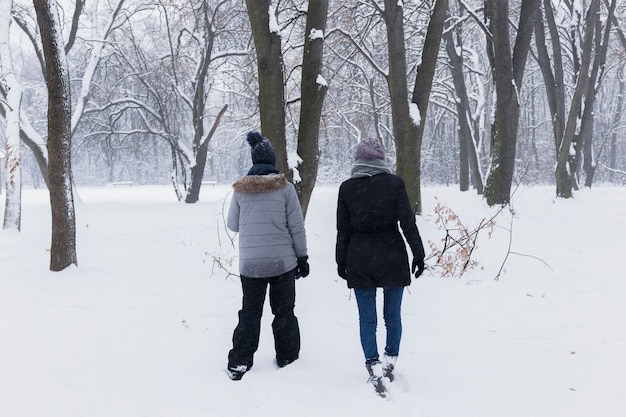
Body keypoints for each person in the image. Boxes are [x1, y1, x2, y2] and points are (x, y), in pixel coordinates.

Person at [335, 137, 425, 397]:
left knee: (367, 318)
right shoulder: (394, 184)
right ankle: (390, 359)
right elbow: (408, 222)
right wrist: (418, 254)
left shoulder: (348, 188)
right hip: (392, 255)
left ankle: (372, 363)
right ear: (381, 159)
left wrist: (341, 261)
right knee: (393, 315)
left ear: (358, 161)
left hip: (360, 256)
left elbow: (343, 230)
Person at [226, 131, 309, 381]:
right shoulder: (285, 189)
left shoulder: (240, 190)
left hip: (250, 265)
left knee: (250, 313)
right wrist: (302, 257)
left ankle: (240, 361)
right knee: (284, 312)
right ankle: (287, 356)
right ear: (273, 162)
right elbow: (297, 226)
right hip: (282, 262)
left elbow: (233, 224)